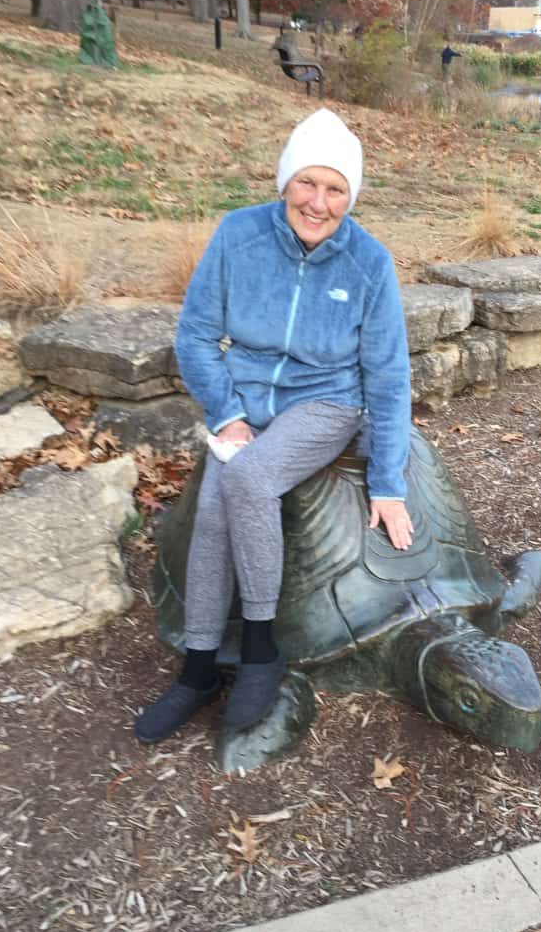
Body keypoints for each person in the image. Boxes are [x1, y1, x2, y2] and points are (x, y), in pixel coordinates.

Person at [134, 108, 413, 745]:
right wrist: (227, 415)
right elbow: (198, 336)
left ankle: (261, 650)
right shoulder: (238, 234)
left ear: (352, 195)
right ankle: (199, 667)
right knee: (211, 506)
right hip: (247, 402)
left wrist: (389, 483)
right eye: (307, 183)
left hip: (326, 404)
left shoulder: (369, 262)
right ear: (283, 179)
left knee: (250, 480)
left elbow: (390, 378)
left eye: (336, 188)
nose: (318, 202)